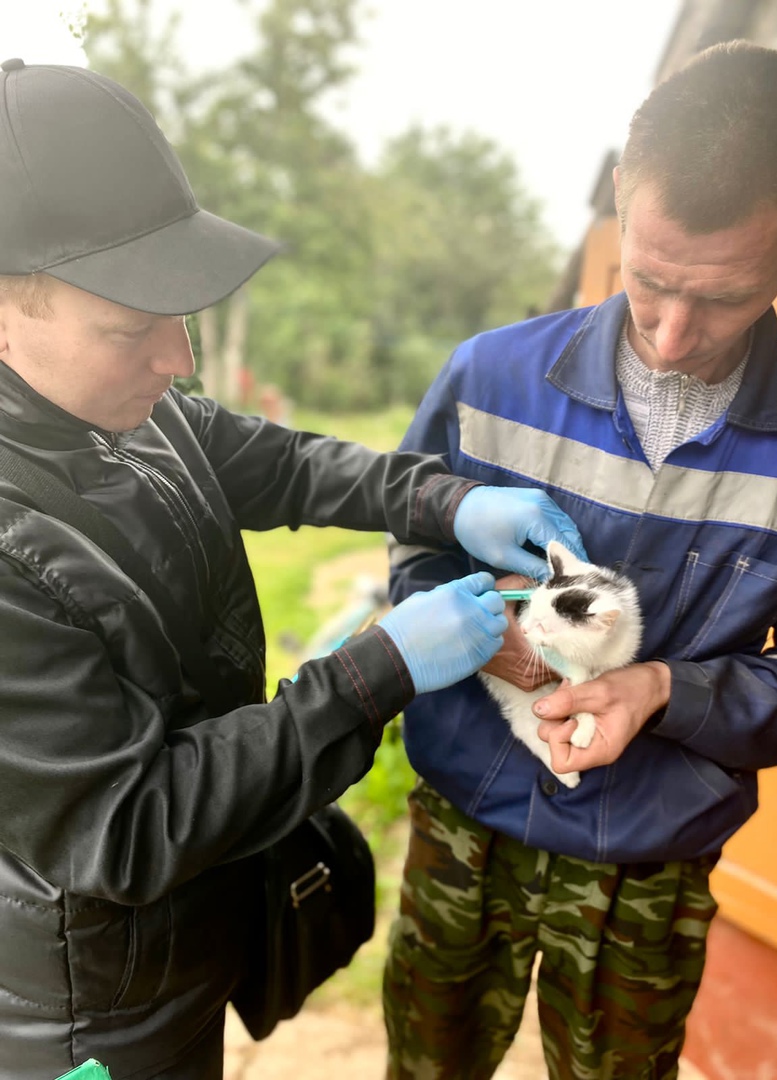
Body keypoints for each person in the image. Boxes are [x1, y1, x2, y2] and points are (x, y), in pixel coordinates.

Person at [0, 58, 588, 1080]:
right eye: (133, 328)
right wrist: (374, 672)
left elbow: (279, 463)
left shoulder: (123, 412)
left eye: (179, 318)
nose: (177, 362)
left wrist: (446, 500)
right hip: (88, 1018)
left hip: (182, 944)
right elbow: (127, 828)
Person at [383, 39, 777, 1080]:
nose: (668, 334)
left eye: (722, 297)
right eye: (648, 278)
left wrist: (663, 688)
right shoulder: (487, 378)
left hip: (654, 861)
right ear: (622, 191)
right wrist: (501, 653)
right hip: (464, 824)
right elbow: (415, 556)